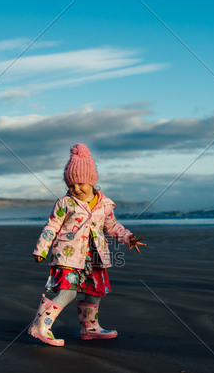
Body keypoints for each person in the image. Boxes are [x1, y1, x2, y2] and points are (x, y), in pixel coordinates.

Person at [28, 143, 145, 346]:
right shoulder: (66, 203)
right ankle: (40, 325)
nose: (76, 189)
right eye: (71, 185)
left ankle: (89, 327)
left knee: (94, 290)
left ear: (92, 181)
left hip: (95, 258)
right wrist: (42, 248)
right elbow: (52, 225)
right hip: (68, 255)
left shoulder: (105, 204)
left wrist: (128, 238)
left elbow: (112, 226)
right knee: (69, 291)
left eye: (80, 184)